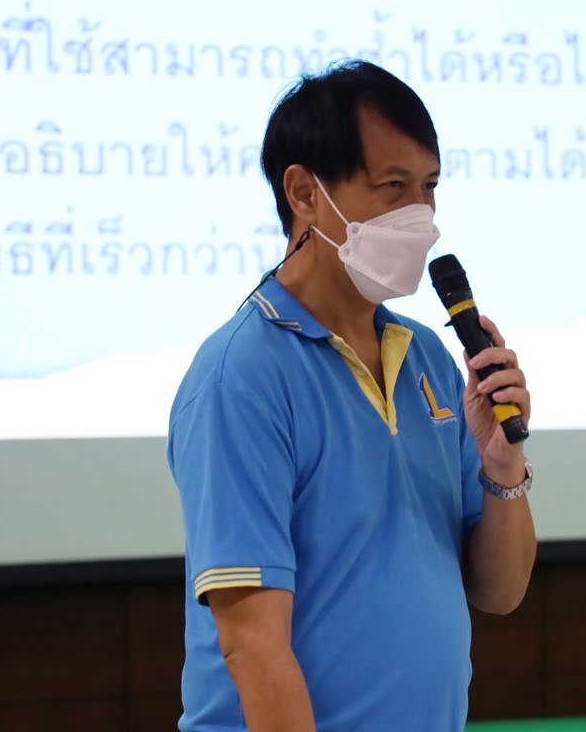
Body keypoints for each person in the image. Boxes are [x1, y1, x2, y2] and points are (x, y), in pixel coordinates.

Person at [167, 60, 536, 732]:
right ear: (305, 193)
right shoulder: (240, 377)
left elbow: (501, 592)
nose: (420, 216)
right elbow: (252, 643)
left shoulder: (428, 358)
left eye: (429, 187)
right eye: (393, 187)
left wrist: (502, 468)